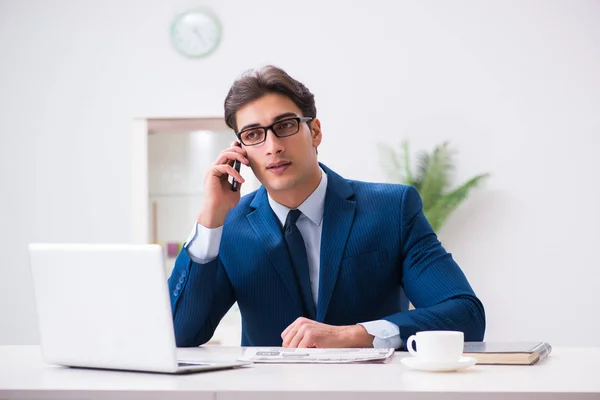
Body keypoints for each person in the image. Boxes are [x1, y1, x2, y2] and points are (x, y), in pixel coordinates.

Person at [168, 65, 485, 349]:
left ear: (315, 131)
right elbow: (179, 335)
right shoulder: (230, 227)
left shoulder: (393, 209)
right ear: (241, 150)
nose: (273, 146)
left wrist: (355, 335)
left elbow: (465, 315)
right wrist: (210, 220)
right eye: (254, 135)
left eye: (286, 126)